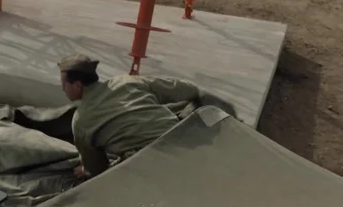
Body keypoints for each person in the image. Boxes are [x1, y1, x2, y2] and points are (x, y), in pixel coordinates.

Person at [59, 54, 238, 179]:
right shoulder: (127, 81)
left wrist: (86, 170)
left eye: (64, 84)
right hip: (185, 141)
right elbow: (187, 90)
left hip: (151, 165)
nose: (62, 89)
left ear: (77, 85)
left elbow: (97, 169)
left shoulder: (81, 120)